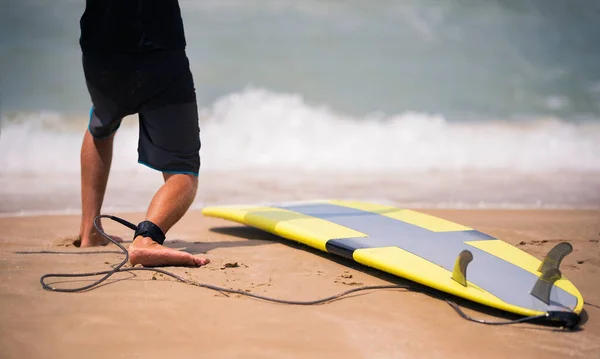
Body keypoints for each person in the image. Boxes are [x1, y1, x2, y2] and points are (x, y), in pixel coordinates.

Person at [76, 0, 209, 267]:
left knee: (101, 124)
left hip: (101, 51)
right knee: (183, 169)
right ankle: (147, 237)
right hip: (159, 50)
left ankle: (89, 231)